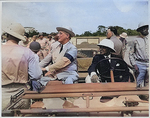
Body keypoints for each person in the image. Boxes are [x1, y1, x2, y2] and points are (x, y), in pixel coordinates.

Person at [1, 23, 43, 111]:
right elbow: (36, 75)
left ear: (7, 35)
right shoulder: (27, 52)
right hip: (20, 93)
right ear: (20, 37)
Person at [129, 22, 149, 88]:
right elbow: (131, 53)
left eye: (146, 28)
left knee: (148, 82)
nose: (146, 30)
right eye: (143, 28)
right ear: (140, 30)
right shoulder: (135, 40)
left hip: (148, 63)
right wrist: (134, 64)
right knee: (139, 83)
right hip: (140, 63)